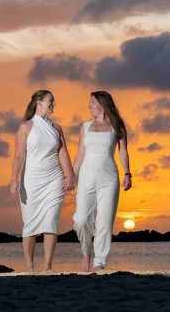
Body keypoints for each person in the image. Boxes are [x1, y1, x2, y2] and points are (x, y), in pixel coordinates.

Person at [10, 90, 75, 273]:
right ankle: (29, 267)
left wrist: (70, 176)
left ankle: (47, 267)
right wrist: (13, 180)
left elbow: (62, 153)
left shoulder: (56, 128)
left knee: (51, 222)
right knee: (30, 224)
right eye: (50, 101)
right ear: (39, 102)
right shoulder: (26, 127)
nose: (54, 104)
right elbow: (19, 155)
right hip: (31, 181)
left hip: (55, 179)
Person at [72, 91, 132, 272]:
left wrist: (127, 173)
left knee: (104, 221)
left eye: (92, 102)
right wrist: (71, 176)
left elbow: (123, 151)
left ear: (102, 104)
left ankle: (99, 262)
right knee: (82, 219)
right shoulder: (85, 126)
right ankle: (86, 251)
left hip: (109, 177)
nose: (89, 106)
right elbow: (81, 153)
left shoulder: (117, 126)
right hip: (86, 176)